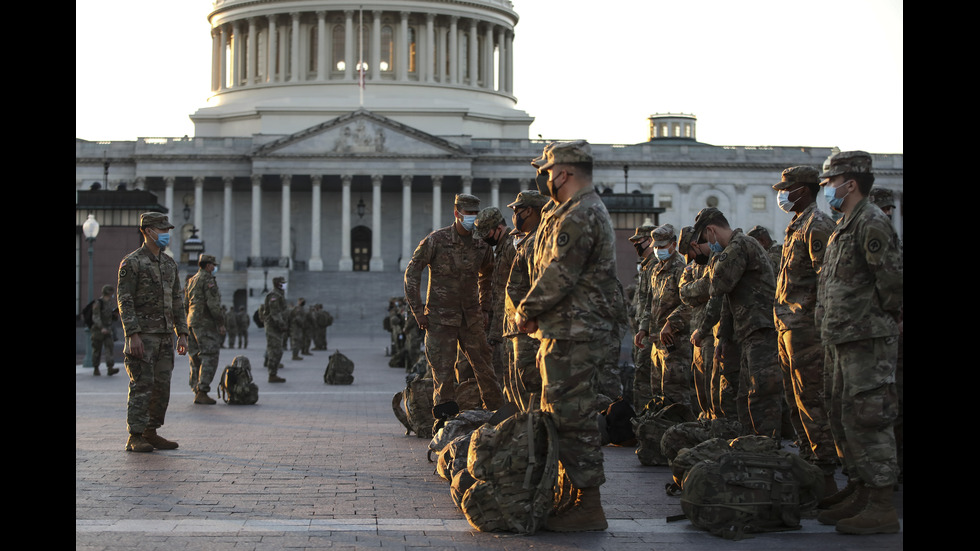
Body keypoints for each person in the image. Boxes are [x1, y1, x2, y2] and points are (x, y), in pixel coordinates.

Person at [515, 140, 622, 531]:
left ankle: (589, 504)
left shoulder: (581, 214)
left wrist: (526, 310)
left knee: (574, 418)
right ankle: (571, 496)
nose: (542, 179)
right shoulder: (570, 211)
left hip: (576, 332)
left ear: (563, 173)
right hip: (565, 330)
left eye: (545, 172)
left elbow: (560, 272)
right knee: (560, 416)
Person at [814, 151, 903, 534]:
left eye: (831, 183)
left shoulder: (871, 222)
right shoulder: (844, 224)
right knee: (845, 417)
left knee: (870, 419)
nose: (828, 190)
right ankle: (862, 491)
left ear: (849, 183)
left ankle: (882, 504)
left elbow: (893, 283)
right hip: (842, 339)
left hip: (866, 339)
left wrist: (880, 324)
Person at [404, 193, 505, 420]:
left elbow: (489, 274)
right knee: (443, 374)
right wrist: (418, 311)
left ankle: (499, 417)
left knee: (485, 369)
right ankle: (444, 422)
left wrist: (485, 307)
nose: (471, 218)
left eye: (474, 214)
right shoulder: (436, 240)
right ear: (456, 213)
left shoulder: (481, 243)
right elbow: (412, 272)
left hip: (471, 318)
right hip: (440, 319)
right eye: (468, 213)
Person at [771, 166, 839, 494]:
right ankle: (809, 467)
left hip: (807, 330)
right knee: (795, 400)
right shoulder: (796, 225)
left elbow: (828, 280)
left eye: (788, 188)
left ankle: (824, 477)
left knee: (812, 401)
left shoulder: (818, 225)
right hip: (789, 329)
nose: (782, 195)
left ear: (805, 189)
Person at [689, 207, 783, 440]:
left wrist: (701, 327)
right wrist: (723, 338)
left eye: (704, 239)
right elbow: (729, 301)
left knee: (761, 395)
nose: (707, 246)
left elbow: (717, 289)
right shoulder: (736, 247)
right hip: (747, 332)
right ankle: (751, 448)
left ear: (710, 230)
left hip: (760, 329)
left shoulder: (738, 247)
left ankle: (766, 449)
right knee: (745, 395)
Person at [116, 212, 189, 452]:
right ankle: (135, 435)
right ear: (147, 231)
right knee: (142, 385)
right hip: (143, 337)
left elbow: (177, 300)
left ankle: (151, 431)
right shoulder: (132, 262)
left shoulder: (169, 264)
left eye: (167, 230)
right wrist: (132, 334)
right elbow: (124, 300)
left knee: (161, 386)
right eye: (161, 229)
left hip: (165, 336)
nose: (166, 234)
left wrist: (182, 332)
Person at [501, 189, 549, 411]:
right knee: (520, 388)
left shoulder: (537, 242)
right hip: (519, 328)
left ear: (529, 211)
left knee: (531, 388)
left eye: (517, 211)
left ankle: (537, 438)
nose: (514, 216)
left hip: (529, 332)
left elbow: (539, 287)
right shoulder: (530, 241)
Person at [635, 224, 692, 409]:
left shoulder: (680, 269)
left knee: (674, 393)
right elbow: (650, 302)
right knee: (657, 393)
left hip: (675, 341)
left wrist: (670, 323)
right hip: (656, 340)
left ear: (673, 245)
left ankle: (679, 434)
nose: (659, 251)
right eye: (656, 247)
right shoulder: (656, 269)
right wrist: (643, 328)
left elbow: (688, 303)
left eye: (662, 246)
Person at [472, 206, 516, 385]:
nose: (484, 238)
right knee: (502, 377)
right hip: (502, 324)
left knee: (508, 379)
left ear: (499, 228)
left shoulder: (513, 246)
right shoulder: (502, 247)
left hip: (513, 325)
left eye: (486, 233)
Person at [186, 254, 227, 405]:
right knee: (210, 355)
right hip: (205, 323)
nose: (214, 267)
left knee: (195, 356)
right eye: (213, 265)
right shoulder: (208, 280)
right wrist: (220, 323)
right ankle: (202, 390)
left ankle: (196, 388)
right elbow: (213, 304)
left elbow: (186, 302)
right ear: (208, 265)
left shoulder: (192, 280)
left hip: (192, 322)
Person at [627, 221, 657, 411]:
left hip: (651, 333)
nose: (636, 245)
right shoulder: (646, 267)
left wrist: (645, 328)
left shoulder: (655, 265)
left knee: (646, 381)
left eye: (639, 241)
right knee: (640, 379)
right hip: (640, 331)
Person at [90, 284, 119, 376]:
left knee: (109, 348)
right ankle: (96, 368)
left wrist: (115, 315)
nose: (112, 294)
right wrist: (101, 328)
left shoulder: (110, 303)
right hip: (98, 330)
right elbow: (95, 317)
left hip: (108, 329)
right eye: (111, 292)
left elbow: (111, 317)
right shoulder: (98, 303)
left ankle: (110, 368)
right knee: (97, 350)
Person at [262, 277, 288, 383]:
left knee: (277, 350)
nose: (285, 285)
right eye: (283, 283)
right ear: (278, 284)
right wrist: (281, 324)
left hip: (276, 327)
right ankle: (272, 374)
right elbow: (274, 312)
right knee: (274, 350)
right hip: (273, 326)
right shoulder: (274, 295)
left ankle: (273, 372)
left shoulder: (279, 294)